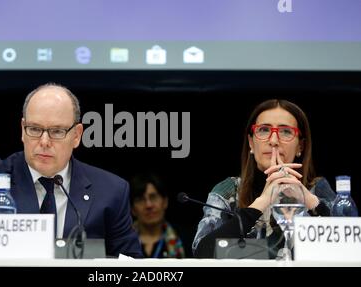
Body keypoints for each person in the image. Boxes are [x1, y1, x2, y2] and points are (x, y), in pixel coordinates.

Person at [0, 83, 142, 258]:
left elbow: (132, 265)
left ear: (77, 135)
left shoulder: (111, 190)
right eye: (34, 129)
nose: (44, 141)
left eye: (57, 131)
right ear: (22, 130)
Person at [192, 99, 336, 258]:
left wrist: (309, 200)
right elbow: (201, 253)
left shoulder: (316, 188)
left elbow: (352, 247)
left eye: (286, 132)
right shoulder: (228, 191)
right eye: (264, 130)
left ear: (300, 146)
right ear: (251, 143)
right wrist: (261, 202)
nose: (273, 141)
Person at [129, 173, 185, 258]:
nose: (148, 205)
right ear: (132, 209)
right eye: (140, 199)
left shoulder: (185, 238)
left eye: (153, 197)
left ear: (165, 202)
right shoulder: (123, 241)